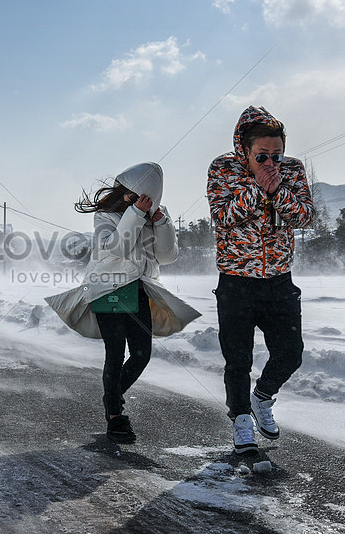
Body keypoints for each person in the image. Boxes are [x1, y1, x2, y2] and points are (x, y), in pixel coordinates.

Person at [46, 162, 201, 443]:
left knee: (142, 354)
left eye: (149, 200)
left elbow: (167, 257)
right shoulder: (106, 216)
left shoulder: (152, 215)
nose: (143, 203)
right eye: (138, 197)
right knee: (116, 354)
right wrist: (136, 214)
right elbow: (116, 247)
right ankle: (116, 418)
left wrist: (162, 223)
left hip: (140, 290)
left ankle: (111, 399)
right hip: (109, 289)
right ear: (128, 193)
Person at [207, 106, 315, 454]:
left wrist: (278, 190)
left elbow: (305, 216)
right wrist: (256, 189)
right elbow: (223, 218)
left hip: (279, 280)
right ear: (244, 150)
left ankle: (262, 397)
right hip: (236, 283)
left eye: (277, 155)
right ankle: (241, 423)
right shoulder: (222, 170)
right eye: (262, 156)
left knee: (291, 353)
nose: (271, 163)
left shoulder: (292, 171)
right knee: (238, 360)